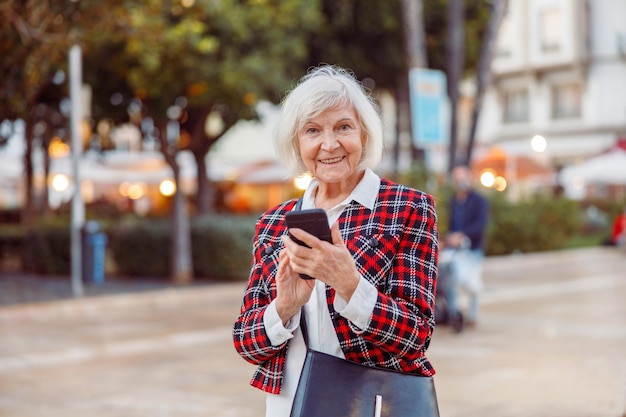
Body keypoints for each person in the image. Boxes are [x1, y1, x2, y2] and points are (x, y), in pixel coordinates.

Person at [232, 65, 439, 417]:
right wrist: (284, 307)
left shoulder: (408, 208)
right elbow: (246, 343)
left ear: (364, 135)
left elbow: (416, 336)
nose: (329, 145)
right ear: (298, 143)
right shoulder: (273, 224)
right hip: (290, 404)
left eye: (343, 127)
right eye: (313, 131)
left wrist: (350, 284)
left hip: (373, 403)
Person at [442, 164, 489, 329]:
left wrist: (462, 235)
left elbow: (480, 224)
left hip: (473, 248)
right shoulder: (454, 201)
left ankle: (473, 316)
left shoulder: (479, 200)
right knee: (451, 280)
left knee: (473, 284)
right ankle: (454, 314)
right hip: (455, 250)